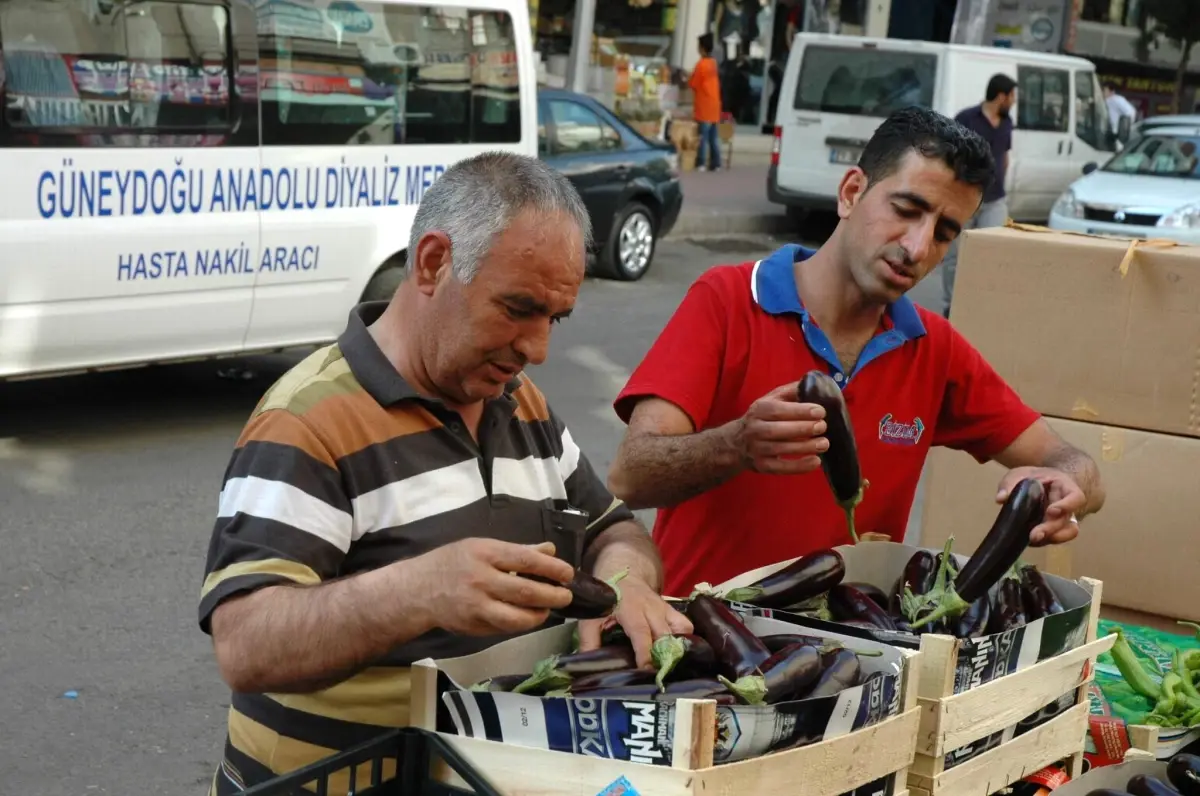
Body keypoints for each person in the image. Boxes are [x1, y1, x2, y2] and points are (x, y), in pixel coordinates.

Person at [197, 152, 690, 795]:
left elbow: (611, 529)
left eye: (554, 318)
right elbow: (246, 644)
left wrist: (625, 581)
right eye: (518, 308)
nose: (537, 348)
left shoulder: (524, 404)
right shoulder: (307, 420)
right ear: (433, 263)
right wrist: (419, 591)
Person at [605, 106, 1106, 599]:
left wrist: (1068, 486)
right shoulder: (728, 299)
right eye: (905, 211)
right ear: (851, 193)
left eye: (944, 233)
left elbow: (1073, 463)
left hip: (852, 658)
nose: (917, 247)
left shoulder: (934, 349)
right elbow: (631, 474)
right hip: (703, 645)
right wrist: (735, 445)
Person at [941, 73, 1016, 319]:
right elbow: (948, 152)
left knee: (992, 252)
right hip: (964, 198)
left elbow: (1004, 154)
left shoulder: (1007, 123)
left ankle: (982, 305)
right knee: (955, 255)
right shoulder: (966, 118)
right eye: (1012, 96)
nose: (1014, 102)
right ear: (1001, 96)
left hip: (994, 199)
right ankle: (952, 305)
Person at [689, 33, 723, 172]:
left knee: (702, 137)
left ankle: (701, 163)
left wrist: (688, 79)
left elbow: (693, 84)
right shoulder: (713, 64)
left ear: (702, 48)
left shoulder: (701, 64)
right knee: (713, 138)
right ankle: (716, 163)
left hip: (704, 106)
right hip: (715, 105)